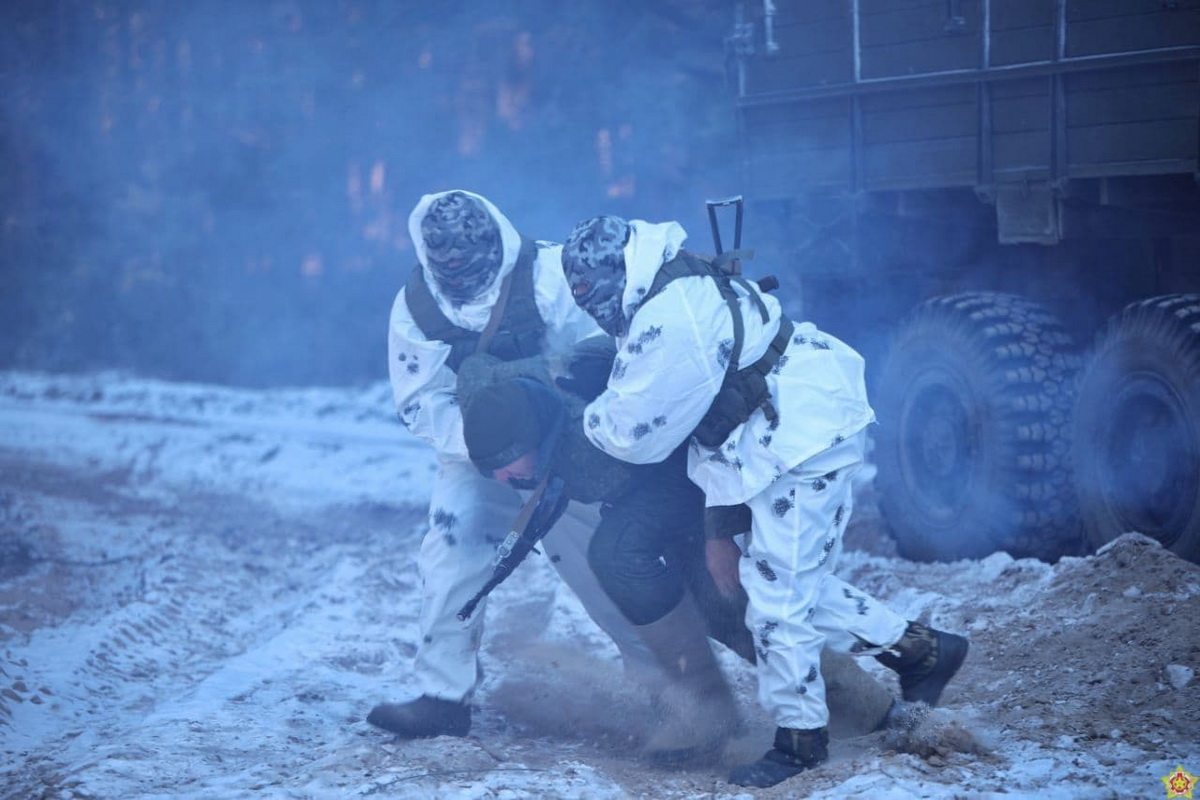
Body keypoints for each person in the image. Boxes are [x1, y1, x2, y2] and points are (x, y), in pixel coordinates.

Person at [558, 214, 970, 788]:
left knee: (777, 604)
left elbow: (632, 433)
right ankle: (921, 651)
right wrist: (719, 527)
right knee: (781, 583)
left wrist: (581, 422)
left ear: (619, 272)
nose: (594, 307)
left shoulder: (670, 316)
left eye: (594, 294)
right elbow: (708, 425)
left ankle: (800, 742)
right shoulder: (660, 291)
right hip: (772, 442)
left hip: (802, 437)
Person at [457, 355, 923, 763]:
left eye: (508, 461)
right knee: (723, 606)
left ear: (535, 435)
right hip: (669, 497)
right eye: (493, 468)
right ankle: (871, 706)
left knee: (642, 565)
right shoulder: (525, 405)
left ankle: (731, 709)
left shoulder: (585, 431)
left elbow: (691, 446)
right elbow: (478, 374)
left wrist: (716, 531)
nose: (502, 476)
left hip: (704, 484)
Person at [368, 191, 662, 739]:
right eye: (448, 269)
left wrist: (562, 439)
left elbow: (605, 359)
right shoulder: (417, 308)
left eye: (471, 267)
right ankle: (442, 697)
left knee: (605, 562)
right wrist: (490, 452)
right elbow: (420, 403)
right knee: (449, 556)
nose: (461, 279)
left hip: (573, 446)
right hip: (477, 455)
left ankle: (659, 694)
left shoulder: (550, 274)